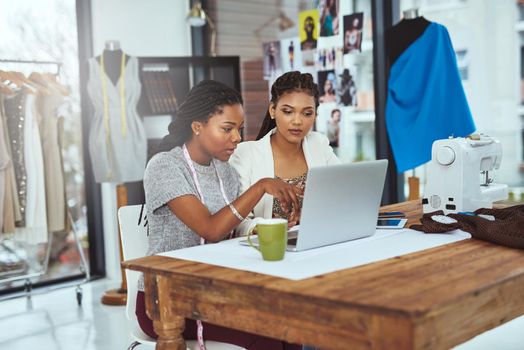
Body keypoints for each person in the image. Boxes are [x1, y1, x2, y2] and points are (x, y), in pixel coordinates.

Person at [138, 80, 302, 350]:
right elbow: (211, 229)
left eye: (239, 129)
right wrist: (261, 186)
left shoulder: (224, 170)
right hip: (166, 301)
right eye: (227, 129)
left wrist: (277, 227)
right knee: (268, 334)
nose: (237, 138)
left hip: (215, 290)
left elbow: (230, 228)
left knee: (291, 326)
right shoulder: (165, 166)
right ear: (197, 126)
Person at [229, 72, 340, 235]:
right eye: (288, 111)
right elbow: (237, 222)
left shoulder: (319, 144)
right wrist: (268, 229)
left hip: (317, 242)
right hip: (269, 250)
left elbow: (342, 195)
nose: (297, 121)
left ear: (315, 115)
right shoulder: (245, 154)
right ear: (273, 110)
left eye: (307, 113)